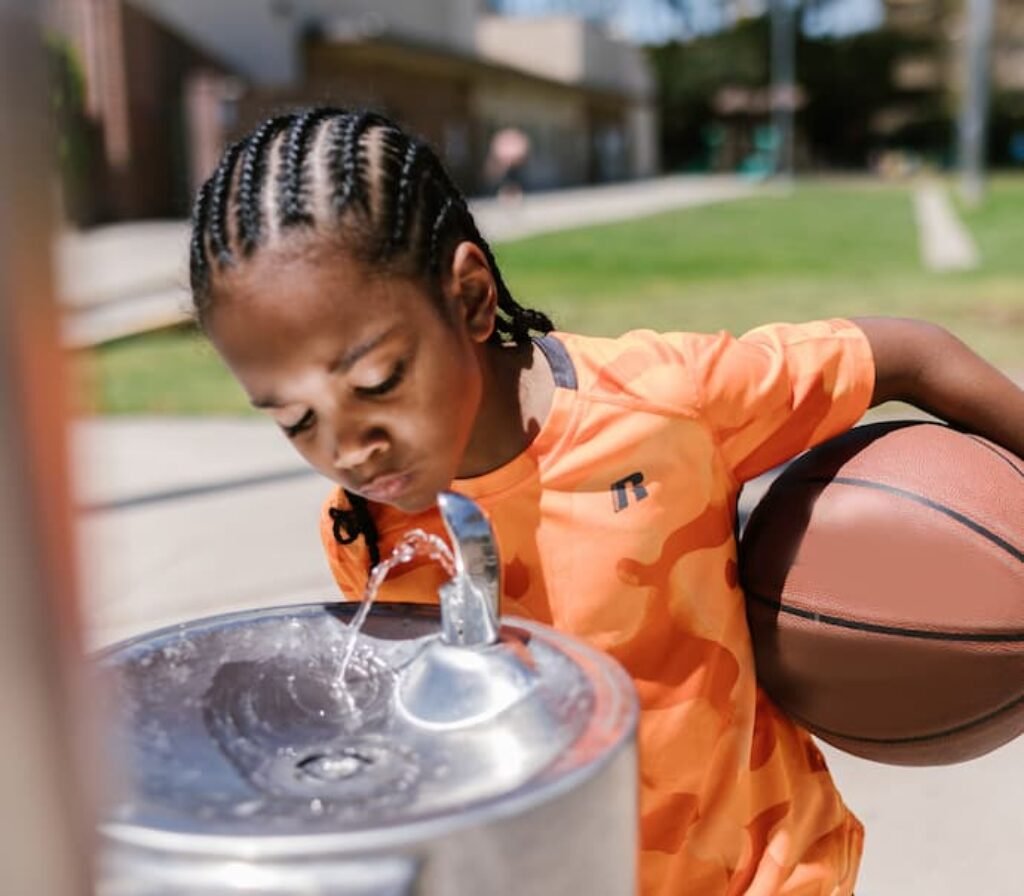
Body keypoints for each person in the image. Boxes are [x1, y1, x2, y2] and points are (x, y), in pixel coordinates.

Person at [188, 107, 1024, 895]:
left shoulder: (665, 403)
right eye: (294, 418)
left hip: (765, 872)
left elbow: (912, 354)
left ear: (472, 298)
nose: (347, 446)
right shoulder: (366, 528)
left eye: (379, 382)